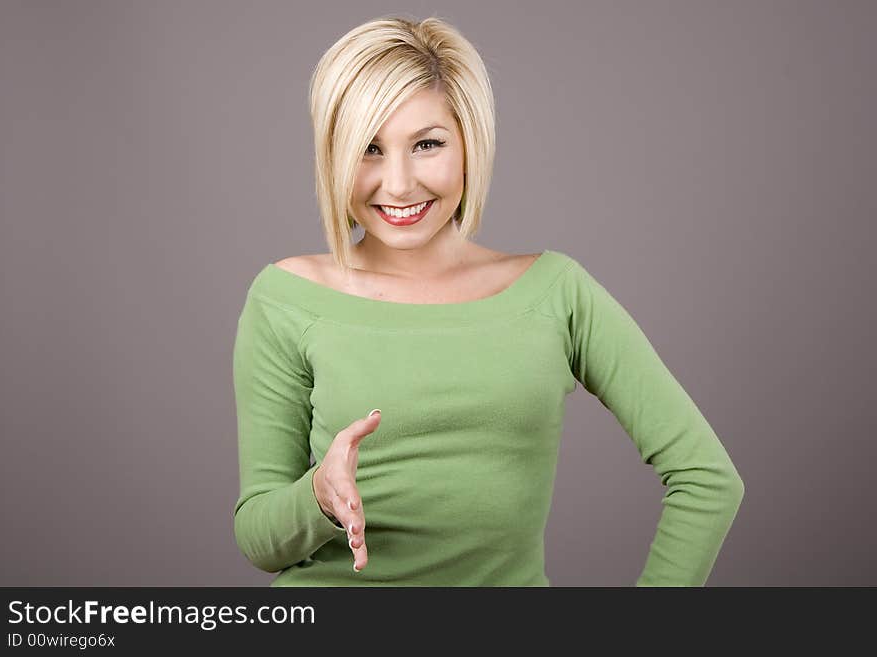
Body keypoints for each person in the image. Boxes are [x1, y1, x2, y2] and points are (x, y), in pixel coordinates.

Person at [231, 15, 745, 587]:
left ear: (470, 144)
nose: (397, 184)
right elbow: (259, 536)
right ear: (333, 156)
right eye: (368, 149)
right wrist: (317, 499)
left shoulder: (556, 293)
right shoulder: (287, 299)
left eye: (427, 144)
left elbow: (707, 478)